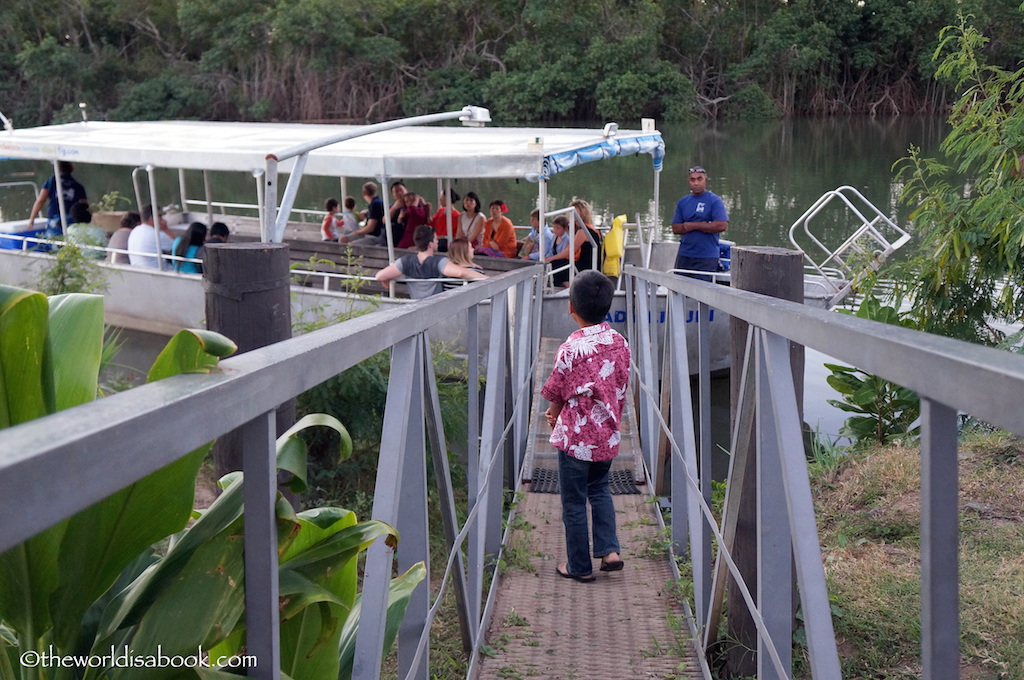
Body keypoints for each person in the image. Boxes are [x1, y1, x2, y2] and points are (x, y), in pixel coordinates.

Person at [541, 270, 630, 582]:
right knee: (600, 489)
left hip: (577, 439)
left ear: (571, 308)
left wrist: (553, 413)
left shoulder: (570, 348)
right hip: (607, 435)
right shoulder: (620, 342)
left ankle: (579, 566)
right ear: (607, 306)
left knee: (574, 502)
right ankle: (610, 552)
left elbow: (558, 387)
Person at [374, 225, 488, 299]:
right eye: (435, 239)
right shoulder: (439, 262)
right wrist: (490, 280)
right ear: (430, 244)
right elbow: (461, 273)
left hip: (415, 307)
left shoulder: (405, 262)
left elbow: (379, 276)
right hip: (436, 309)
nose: (438, 242)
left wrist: (386, 281)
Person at [670, 165, 728, 281]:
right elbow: (676, 228)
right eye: (692, 179)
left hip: (706, 256)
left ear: (705, 180)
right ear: (689, 181)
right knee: (679, 291)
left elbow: (722, 225)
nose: (696, 183)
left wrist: (692, 225)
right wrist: (705, 224)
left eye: (699, 179)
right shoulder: (683, 202)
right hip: (685, 255)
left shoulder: (714, 201)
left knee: (702, 293)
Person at [27, 161, 88, 237]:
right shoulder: (78, 186)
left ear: (58, 168)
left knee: (54, 242)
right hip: (72, 220)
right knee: (71, 240)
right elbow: (84, 205)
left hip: (55, 219)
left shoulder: (52, 181)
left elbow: (40, 201)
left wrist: (31, 219)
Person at [127, 204, 175, 269]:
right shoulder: (157, 235)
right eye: (159, 216)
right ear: (152, 219)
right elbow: (178, 247)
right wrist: (165, 229)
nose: (162, 218)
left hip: (138, 270)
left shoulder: (135, 230)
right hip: (158, 272)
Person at [542, 215, 573, 287]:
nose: (555, 230)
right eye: (554, 227)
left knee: (553, 264)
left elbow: (563, 254)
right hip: (553, 258)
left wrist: (550, 259)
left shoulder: (567, 239)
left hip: (561, 260)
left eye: (558, 228)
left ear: (565, 229)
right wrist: (546, 258)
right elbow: (550, 250)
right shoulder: (554, 237)